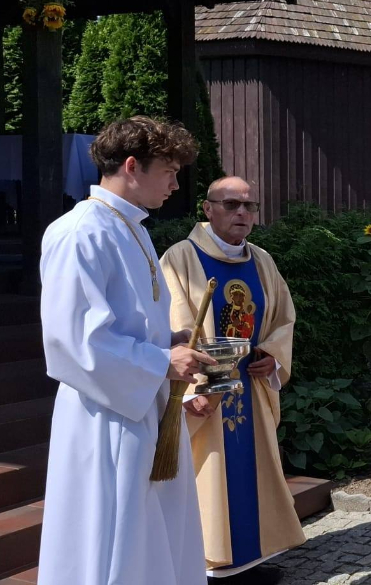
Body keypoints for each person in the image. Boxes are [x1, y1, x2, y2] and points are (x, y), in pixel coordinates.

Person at [38, 116, 213, 585]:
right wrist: (161, 361)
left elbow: (122, 322)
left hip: (142, 400)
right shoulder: (80, 232)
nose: (176, 185)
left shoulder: (131, 227)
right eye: (169, 172)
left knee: (152, 530)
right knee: (114, 531)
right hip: (107, 412)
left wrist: (169, 343)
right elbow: (73, 340)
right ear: (132, 166)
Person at [160, 176, 305, 584]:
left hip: (249, 386)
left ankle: (249, 561)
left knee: (251, 473)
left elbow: (283, 319)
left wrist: (269, 356)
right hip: (208, 390)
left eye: (249, 207)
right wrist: (191, 389)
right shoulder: (180, 258)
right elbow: (175, 328)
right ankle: (207, 566)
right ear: (208, 209)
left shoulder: (261, 260)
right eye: (230, 205)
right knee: (209, 475)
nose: (242, 213)